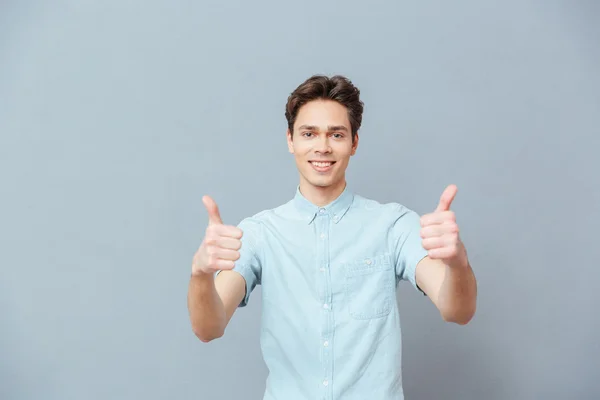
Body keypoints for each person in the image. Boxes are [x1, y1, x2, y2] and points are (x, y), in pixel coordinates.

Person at [187, 75, 478, 400]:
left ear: (354, 142)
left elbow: (457, 311)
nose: (322, 147)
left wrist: (458, 264)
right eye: (309, 133)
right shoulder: (260, 233)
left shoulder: (393, 225)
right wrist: (200, 275)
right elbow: (208, 328)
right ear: (290, 140)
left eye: (336, 134)